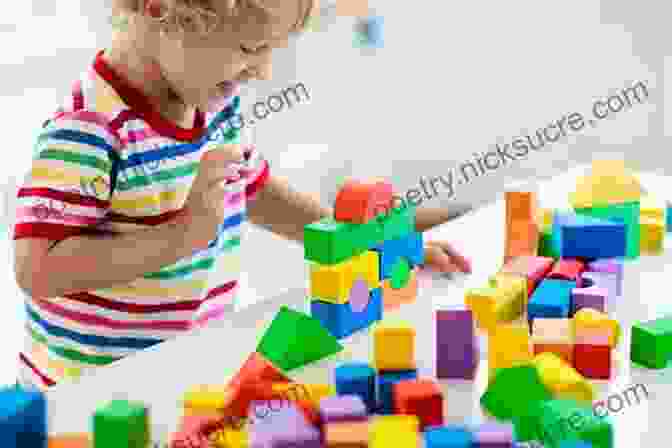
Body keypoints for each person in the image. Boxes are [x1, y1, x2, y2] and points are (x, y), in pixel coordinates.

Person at [12, 0, 471, 391]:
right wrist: (180, 238)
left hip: (180, 377)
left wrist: (372, 246)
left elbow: (254, 189)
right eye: (251, 47)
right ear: (160, 10)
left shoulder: (213, 103)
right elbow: (37, 266)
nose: (265, 70)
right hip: (89, 396)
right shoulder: (89, 130)